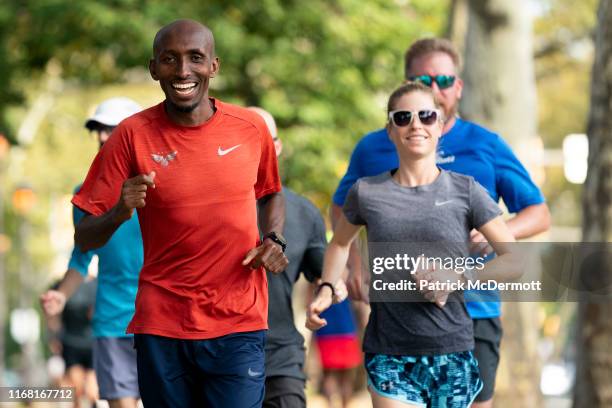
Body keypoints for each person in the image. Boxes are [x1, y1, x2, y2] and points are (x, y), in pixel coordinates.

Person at [71, 20, 288, 408]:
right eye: (170, 60)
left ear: (214, 66)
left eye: (195, 58)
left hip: (238, 319)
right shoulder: (130, 135)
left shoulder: (250, 128)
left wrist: (272, 238)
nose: (183, 71)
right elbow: (84, 235)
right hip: (163, 323)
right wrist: (120, 211)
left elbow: (271, 193)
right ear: (154, 68)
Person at [331, 38, 550, 407]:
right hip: (396, 320)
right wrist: (352, 265)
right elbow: (341, 210)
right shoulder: (373, 148)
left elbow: (538, 213)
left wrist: (496, 232)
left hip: (474, 309)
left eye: (444, 80)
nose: (435, 89)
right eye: (422, 80)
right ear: (407, 86)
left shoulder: (485, 145)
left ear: (458, 86)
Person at [41, 97, 143, 408]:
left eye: (111, 129)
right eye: (98, 129)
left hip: (162, 319)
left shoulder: (160, 186)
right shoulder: (83, 194)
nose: (101, 137)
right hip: (112, 320)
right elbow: (82, 255)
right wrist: (61, 294)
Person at [247, 106, 345, 408]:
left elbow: (323, 273)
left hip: (281, 354)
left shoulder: (303, 211)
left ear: (277, 147)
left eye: (265, 141)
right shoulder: (207, 207)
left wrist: (331, 288)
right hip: (219, 354)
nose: (257, 150)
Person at [44, 278, 98, 408]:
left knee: (92, 392)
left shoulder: (98, 283)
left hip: (93, 344)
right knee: (77, 389)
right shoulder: (61, 285)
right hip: (70, 344)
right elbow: (52, 315)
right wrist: (53, 337)